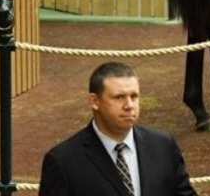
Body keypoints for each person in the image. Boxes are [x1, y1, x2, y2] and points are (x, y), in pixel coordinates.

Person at [39, 61, 197, 196]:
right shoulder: (63, 161)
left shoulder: (163, 147)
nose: (129, 105)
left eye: (134, 96)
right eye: (119, 97)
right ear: (94, 101)